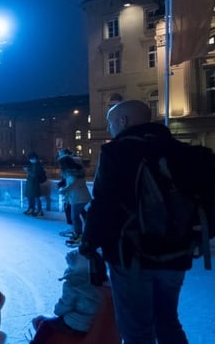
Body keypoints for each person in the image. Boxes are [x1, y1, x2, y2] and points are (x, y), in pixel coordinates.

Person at [80, 99, 191, 343]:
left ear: (124, 121)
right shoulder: (181, 150)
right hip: (176, 254)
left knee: (137, 329)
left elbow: (103, 203)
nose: (110, 129)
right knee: (168, 322)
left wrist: (88, 243)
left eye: (111, 123)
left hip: (130, 255)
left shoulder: (115, 152)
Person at [30, 248, 103, 343]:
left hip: (76, 324)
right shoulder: (102, 283)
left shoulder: (72, 284)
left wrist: (57, 310)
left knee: (46, 324)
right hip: (94, 324)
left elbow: (65, 304)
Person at [57, 151, 90, 248]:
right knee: (76, 216)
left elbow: (72, 185)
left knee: (74, 217)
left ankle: (80, 234)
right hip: (78, 197)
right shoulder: (74, 171)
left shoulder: (73, 173)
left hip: (79, 197)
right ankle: (79, 233)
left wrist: (63, 191)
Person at [23, 152, 46, 217]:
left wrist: (27, 170)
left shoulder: (37, 165)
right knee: (31, 196)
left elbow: (34, 175)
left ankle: (38, 210)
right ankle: (32, 209)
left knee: (36, 197)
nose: (30, 160)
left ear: (34, 158)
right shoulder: (33, 165)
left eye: (31, 158)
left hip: (35, 184)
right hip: (32, 184)